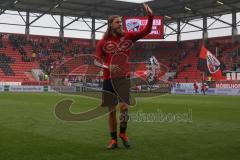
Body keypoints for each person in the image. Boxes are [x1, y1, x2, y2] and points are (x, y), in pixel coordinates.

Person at [95, 3, 153, 149]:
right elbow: (96, 60)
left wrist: (150, 16)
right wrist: (108, 66)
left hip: (123, 78)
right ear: (110, 25)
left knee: (124, 108)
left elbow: (147, 30)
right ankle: (113, 139)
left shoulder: (128, 36)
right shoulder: (103, 42)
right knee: (111, 111)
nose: (120, 24)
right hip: (108, 79)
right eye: (117, 22)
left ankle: (123, 134)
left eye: (121, 22)